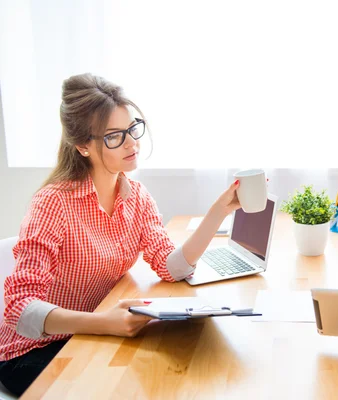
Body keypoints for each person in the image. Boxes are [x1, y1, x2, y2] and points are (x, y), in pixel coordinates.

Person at [0, 73, 244, 396]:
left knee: (162, 369)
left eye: (132, 129)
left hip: (90, 334)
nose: (132, 143)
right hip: (30, 352)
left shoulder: (136, 197)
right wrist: (104, 323)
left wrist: (219, 212)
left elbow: (171, 267)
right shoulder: (52, 204)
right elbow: (18, 308)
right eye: (115, 136)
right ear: (83, 146)